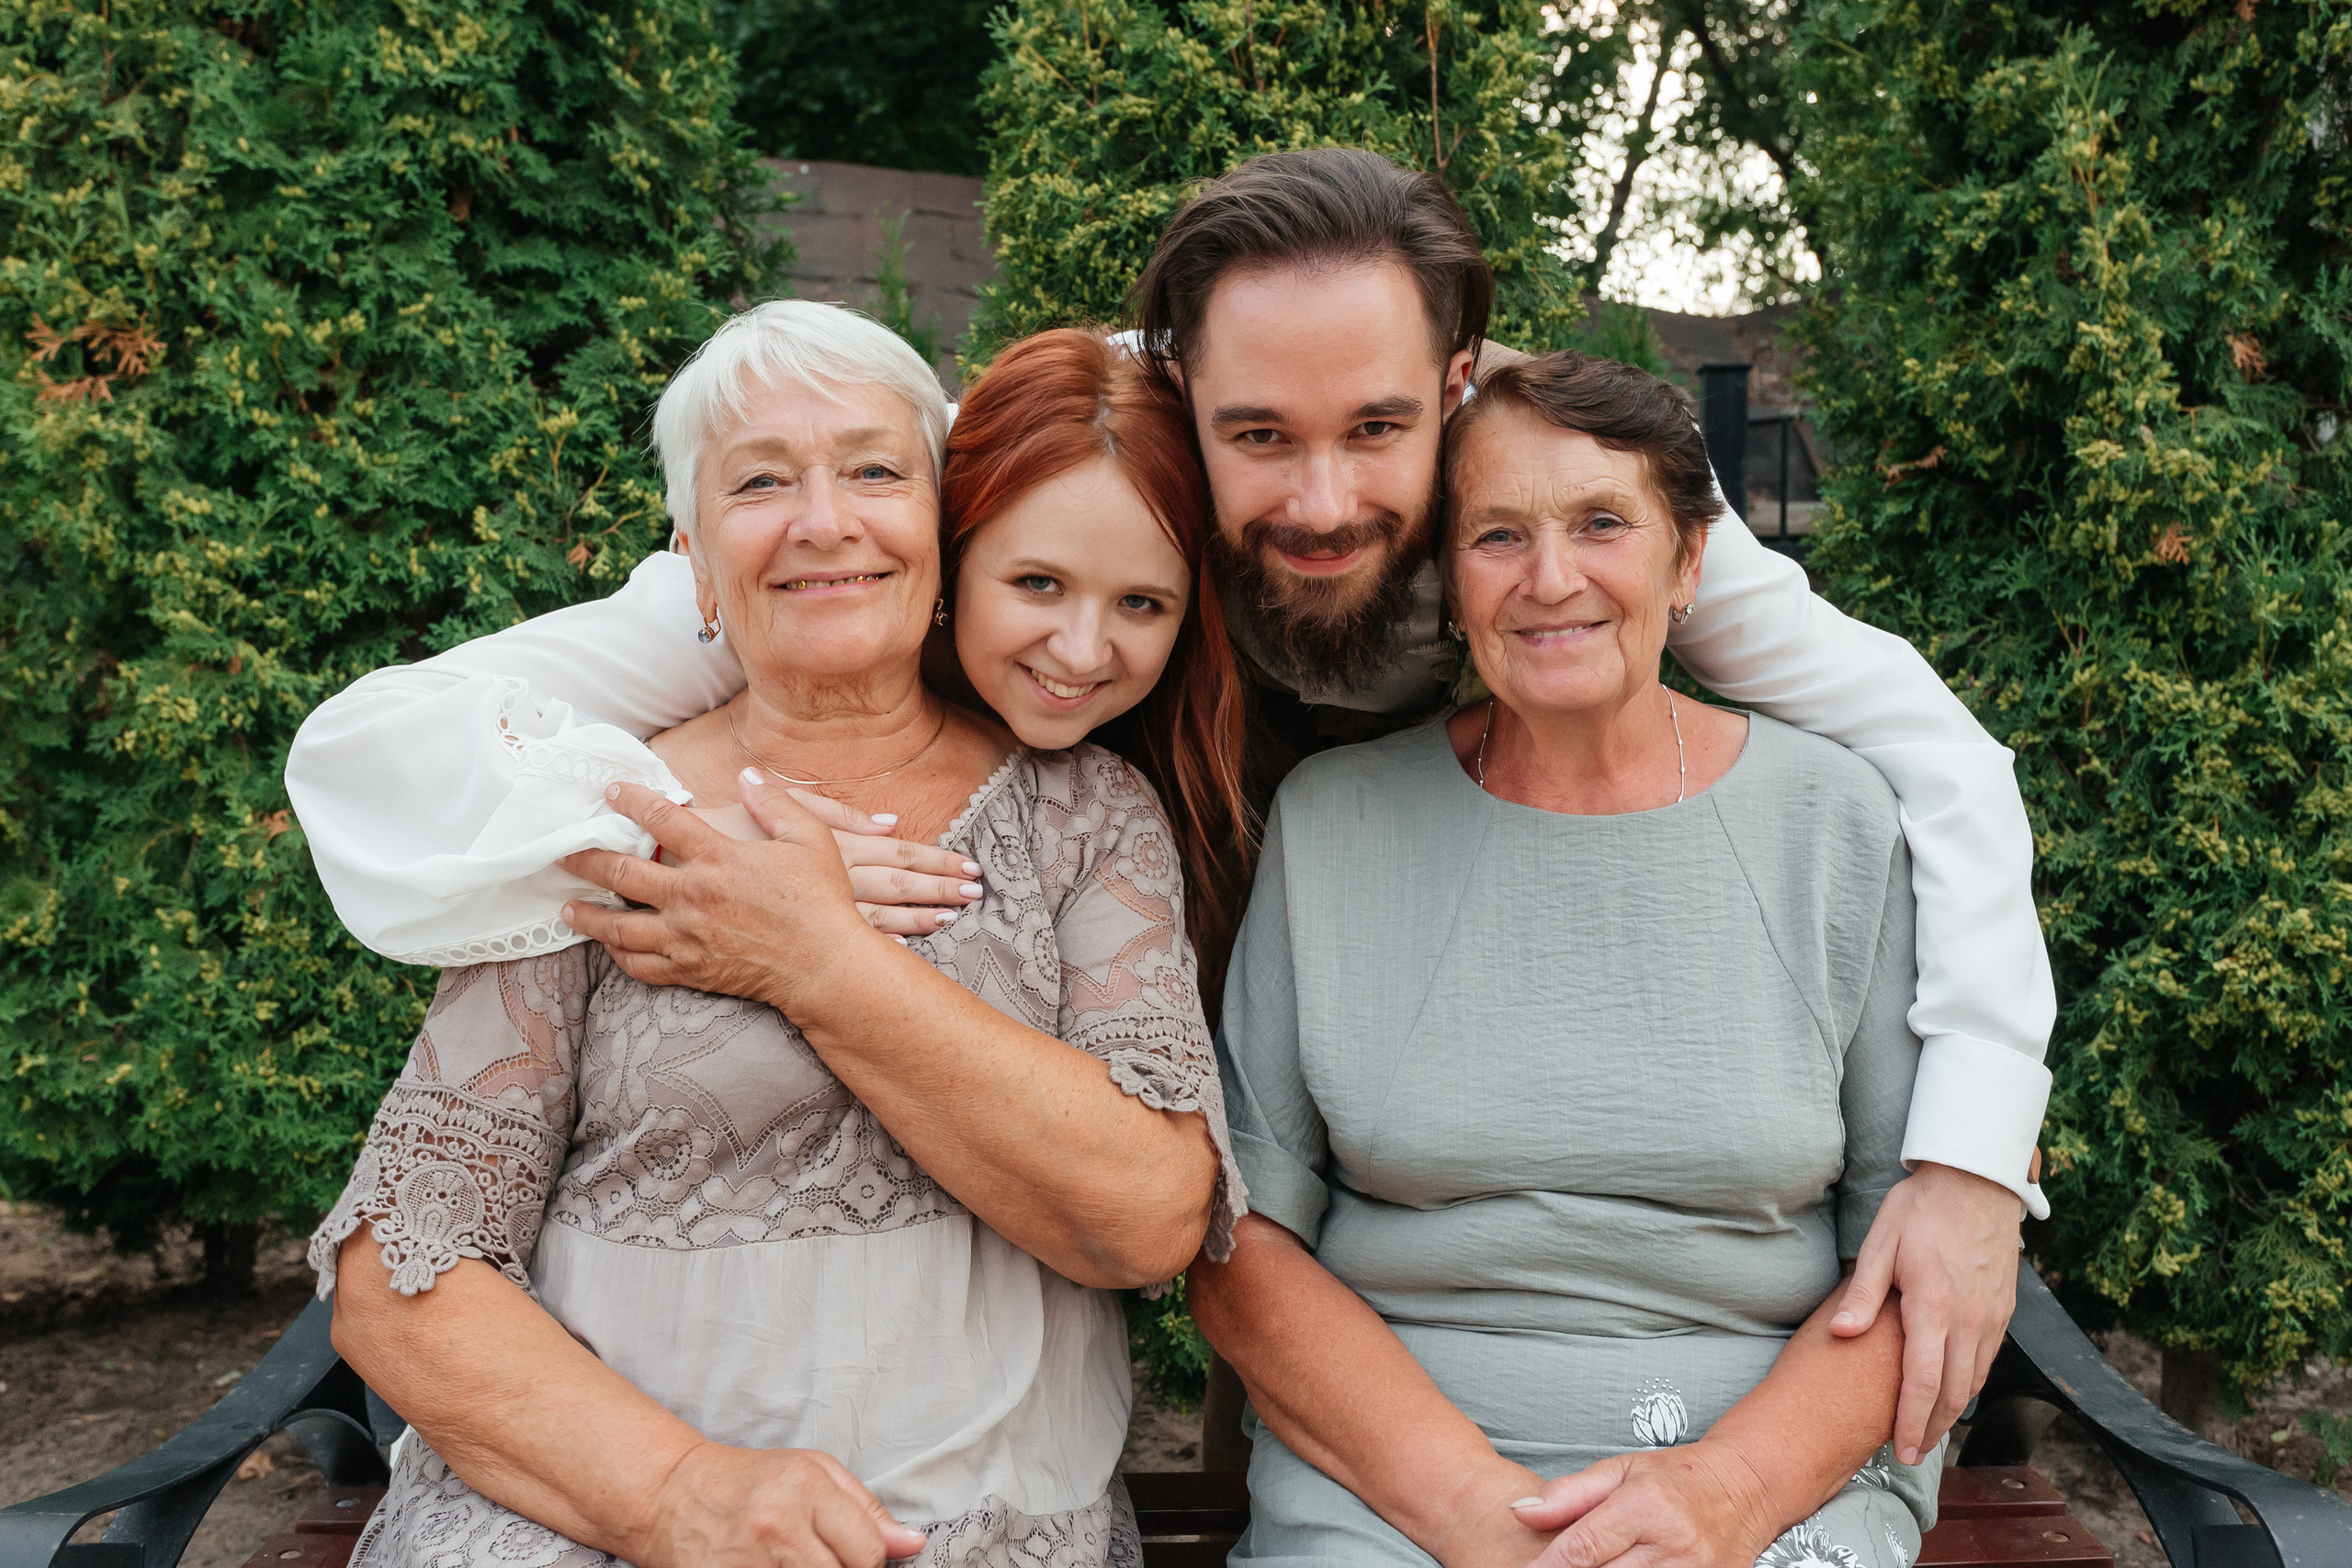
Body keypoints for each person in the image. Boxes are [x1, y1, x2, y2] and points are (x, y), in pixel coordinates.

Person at [291, 147, 2052, 1461]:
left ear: (1454, 387)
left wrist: (1971, 1154)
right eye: (1256, 435)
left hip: (1345, 981)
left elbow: (1937, 758)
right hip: (1067, 958)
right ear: (1177, 387)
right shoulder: (991, 488)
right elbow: (389, 751)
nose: (1320, 493)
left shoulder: (1557, 512)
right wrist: (752, 815)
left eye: (1374, 428)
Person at [305, 300, 1240, 1568]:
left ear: (941, 523)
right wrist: (675, 1495)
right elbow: (401, 1271)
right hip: (586, 1525)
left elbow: (1145, 1216)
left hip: (972, 1530)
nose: (824, 519)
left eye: (871, 469)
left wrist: (814, 957)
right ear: (693, 556)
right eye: (760, 482)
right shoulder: (603, 812)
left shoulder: (1082, 818)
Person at [1190, 352, 1935, 1568]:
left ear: (1688, 561)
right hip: (1394, 1494)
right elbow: (1239, 1242)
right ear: (1446, 576)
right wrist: (1472, 1512)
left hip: (1771, 1483)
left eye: (1602, 523)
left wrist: (1728, 1497)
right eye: (1496, 536)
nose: (1550, 581)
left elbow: (1917, 1258)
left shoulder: (1834, 823)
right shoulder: (1337, 823)